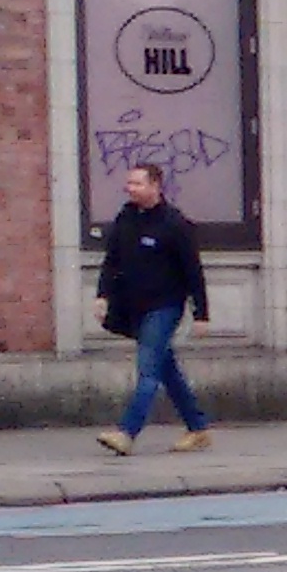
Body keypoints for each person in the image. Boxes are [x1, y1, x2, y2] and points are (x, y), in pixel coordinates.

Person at [94, 162, 213, 456]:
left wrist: (201, 313)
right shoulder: (126, 218)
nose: (130, 189)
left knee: (148, 368)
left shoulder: (175, 224)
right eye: (129, 184)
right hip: (135, 306)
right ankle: (198, 427)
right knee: (166, 368)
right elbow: (112, 260)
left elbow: (193, 271)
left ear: (155, 186)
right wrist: (102, 295)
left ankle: (127, 432)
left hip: (165, 306)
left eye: (137, 183)